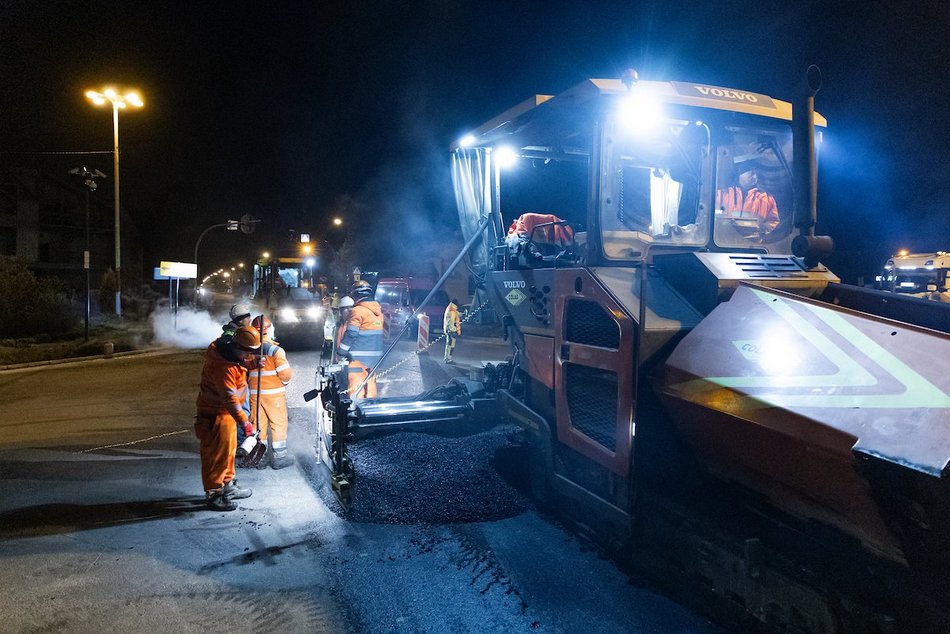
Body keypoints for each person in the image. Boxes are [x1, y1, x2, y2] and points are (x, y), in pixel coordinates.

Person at [194, 325, 260, 511]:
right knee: (216, 456)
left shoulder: (231, 355)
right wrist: (244, 422)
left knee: (228, 453)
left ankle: (227, 486)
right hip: (216, 415)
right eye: (248, 353)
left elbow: (241, 366)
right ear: (238, 348)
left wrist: (253, 364)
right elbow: (229, 398)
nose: (250, 357)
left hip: (226, 415)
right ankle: (215, 494)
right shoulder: (223, 367)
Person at [247, 315, 295, 470]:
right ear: (268, 330)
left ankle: (260, 459)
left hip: (255, 395)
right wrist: (284, 383)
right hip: (274, 395)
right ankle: (279, 459)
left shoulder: (248, 351)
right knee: (278, 424)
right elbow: (285, 374)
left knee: (258, 425)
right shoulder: (276, 350)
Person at [338, 280, 384, 398]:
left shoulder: (357, 311)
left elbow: (351, 334)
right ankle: (370, 409)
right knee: (370, 387)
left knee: (356, 390)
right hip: (375, 358)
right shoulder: (378, 313)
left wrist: (341, 352)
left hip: (358, 359)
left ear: (356, 295)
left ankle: (355, 411)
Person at [716, 165, 779, 234]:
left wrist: (761, 229)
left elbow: (773, 221)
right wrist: (725, 224)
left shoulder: (766, 198)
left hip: (751, 243)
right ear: (740, 174)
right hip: (724, 241)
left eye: (756, 174)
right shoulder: (722, 194)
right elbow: (713, 214)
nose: (755, 177)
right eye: (752, 173)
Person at [443, 298, 461, 364]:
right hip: (451, 331)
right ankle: (448, 358)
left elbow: (457, 314)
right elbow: (451, 322)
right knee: (450, 345)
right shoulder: (452, 312)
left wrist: (462, 314)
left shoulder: (451, 308)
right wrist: (454, 330)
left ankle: (448, 358)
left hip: (448, 330)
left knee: (449, 345)